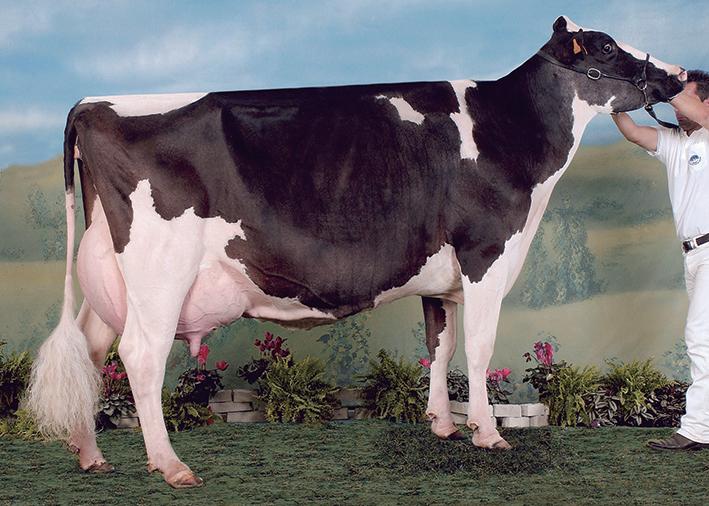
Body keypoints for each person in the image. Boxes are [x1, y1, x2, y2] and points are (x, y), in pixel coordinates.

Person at [612, 70, 709, 450]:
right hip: (693, 255)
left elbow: (699, 115)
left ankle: (697, 430)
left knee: (700, 337)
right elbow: (633, 132)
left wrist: (664, 85)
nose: (677, 107)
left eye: (685, 99)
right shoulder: (673, 141)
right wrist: (613, 98)